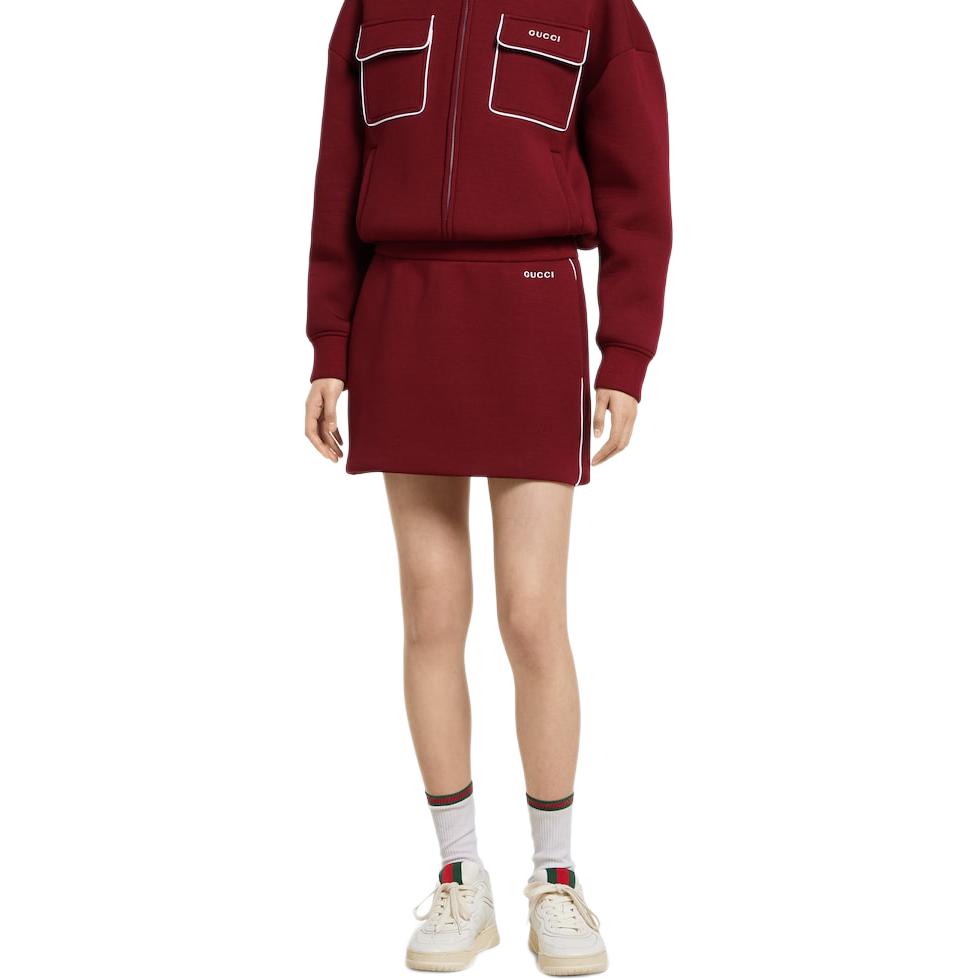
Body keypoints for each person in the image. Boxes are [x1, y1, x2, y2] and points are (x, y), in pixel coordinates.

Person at [303, 0, 670, 972]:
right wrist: (329, 343)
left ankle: (556, 877)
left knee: (530, 614)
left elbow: (639, 188)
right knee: (431, 611)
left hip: (530, 309)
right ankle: (460, 875)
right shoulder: (371, 5)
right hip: (402, 309)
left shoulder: (593, 8)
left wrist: (625, 355)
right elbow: (337, 176)